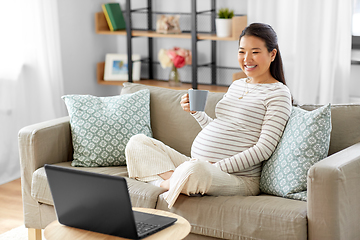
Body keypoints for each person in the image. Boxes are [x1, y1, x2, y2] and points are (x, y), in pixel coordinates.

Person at [125, 23, 292, 209]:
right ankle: (177, 181)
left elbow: (264, 149)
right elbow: (220, 126)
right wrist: (197, 113)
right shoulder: (237, 84)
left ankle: (163, 184)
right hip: (201, 165)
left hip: (238, 177)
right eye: (242, 52)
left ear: (272, 54)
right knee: (137, 143)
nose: (247, 59)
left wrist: (216, 167)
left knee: (195, 170)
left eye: (255, 52)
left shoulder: (278, 94)